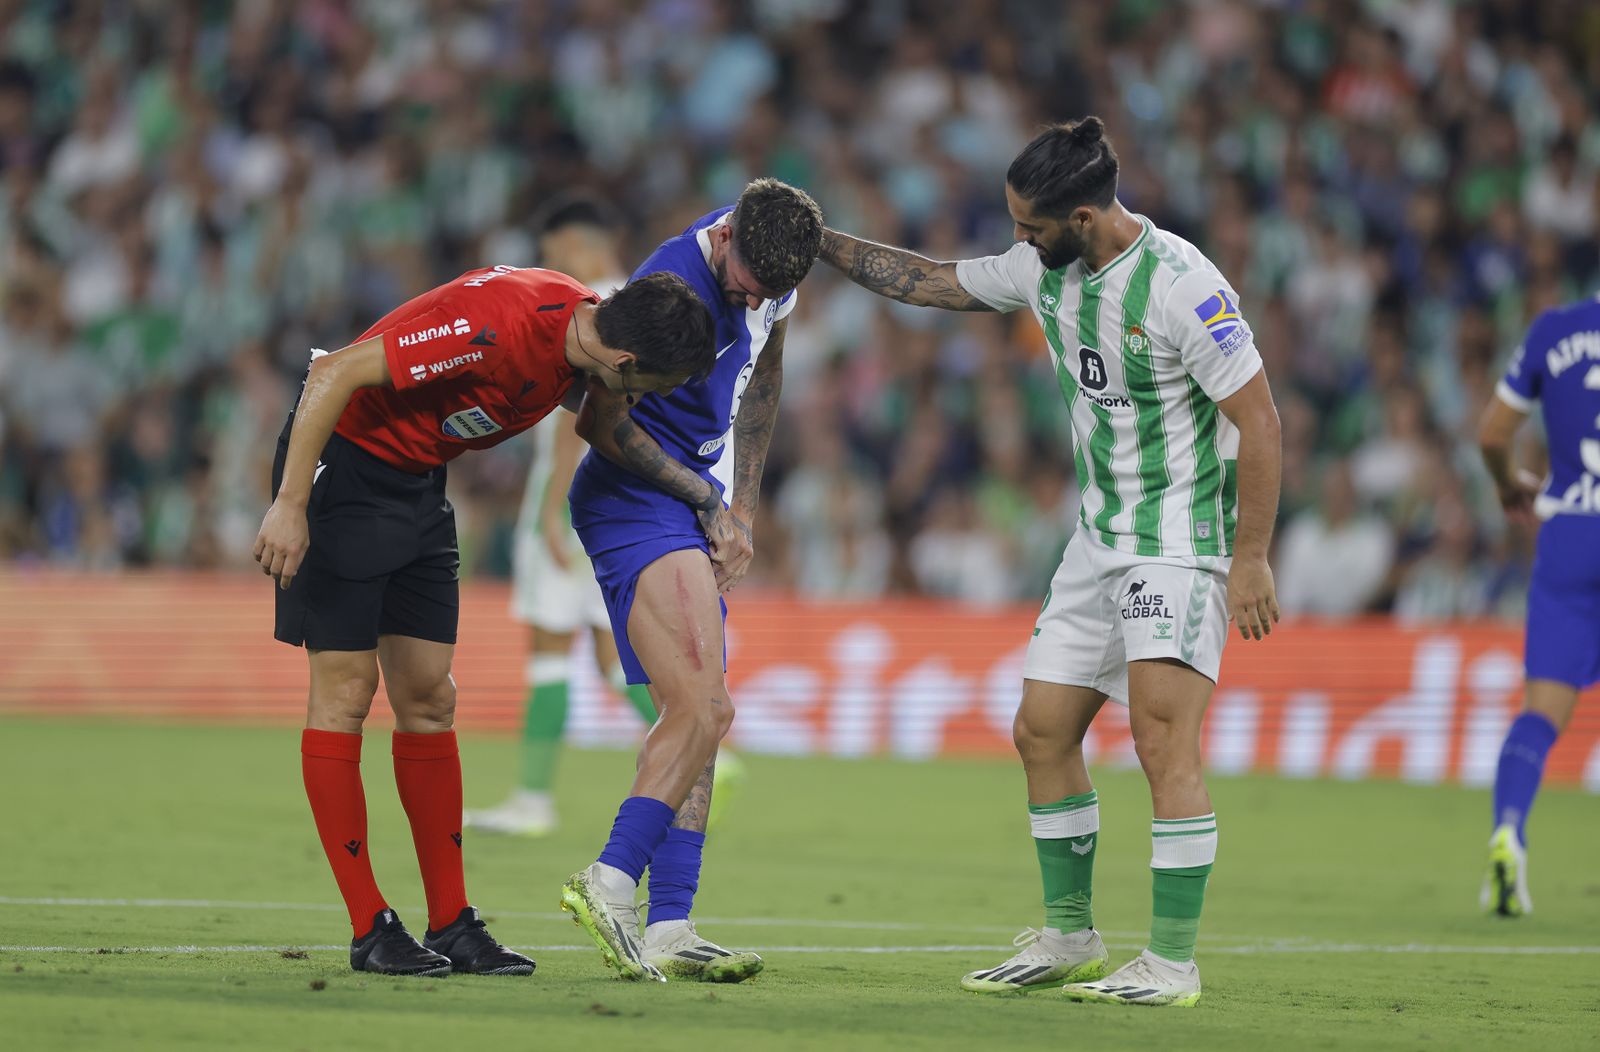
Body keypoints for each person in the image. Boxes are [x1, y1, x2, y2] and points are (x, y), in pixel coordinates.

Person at [817, 117, 1282, 1007]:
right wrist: (822, 242)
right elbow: (932, 282)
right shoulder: (1044, 267)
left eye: (1030, 226)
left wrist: (1250, 556)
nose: (1018, 241)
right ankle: (1072, 937)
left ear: (1082, 215)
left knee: (1159, 739)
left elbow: (1259, 422)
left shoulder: (1184, 287)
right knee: (1040, 733)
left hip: (1181, 542)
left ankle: (1173, 965)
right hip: (1096, 541)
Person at [252, 263, 716, 977]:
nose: (648, 399)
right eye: (654, 386)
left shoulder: (583, 339)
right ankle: (368, 925)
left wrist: (704, 500)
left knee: (431, 699)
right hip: (340, 473)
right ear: (625, 362)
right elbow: (334, 372)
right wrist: (288, 504)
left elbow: (605, 426)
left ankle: (451, 923)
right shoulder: (495, 327)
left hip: (416, 483)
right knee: (345, 695)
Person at [558, 178, 824, 983]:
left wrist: (741, 505)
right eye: (747, 279)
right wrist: (708, 500)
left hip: (690, 505)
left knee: (698, 716)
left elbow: (765, 381)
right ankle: (608, 878)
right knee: (706, 707)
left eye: (773, 290)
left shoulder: (772, 274)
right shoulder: (669, 290)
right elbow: (597, 422)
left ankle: (672, 922)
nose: (754, 296)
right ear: (727, 234)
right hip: (637, 500)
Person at [463, 194, 661, 837]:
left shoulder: (588, 309)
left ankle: (532, 799)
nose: (548, 268)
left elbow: (576, 417)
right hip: (621, 497)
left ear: (577, 246)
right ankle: (699, 743)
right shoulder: (641, 304)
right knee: (609, 655)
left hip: (572, 494)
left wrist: (551, 508)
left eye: (551, 256)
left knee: (549, 647)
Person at [1476, 295, 1600, 917]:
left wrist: (1508, 484)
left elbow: (1493, 433)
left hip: (1572, 533)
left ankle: (1509, 831)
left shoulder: (1557, 330)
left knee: (1542, 714)